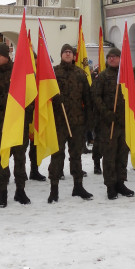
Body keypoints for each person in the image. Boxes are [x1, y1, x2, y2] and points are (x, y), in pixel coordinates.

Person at [0, 42, 33, 207]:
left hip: (20, 123)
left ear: (7, 55)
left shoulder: (20, 73)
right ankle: (3, 193)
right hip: (2, 124)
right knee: (2, 159)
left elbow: (29, 97)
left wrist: (27, 116)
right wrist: (8, 99)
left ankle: (21, 191)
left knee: (20, 159)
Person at [47, 44, 93, 203]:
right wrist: (54, 99)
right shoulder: (54, 72)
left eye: (70, 52)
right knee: (57, 155)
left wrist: (88, 121)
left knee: (76, 155)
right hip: (59, 122)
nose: (67, 54)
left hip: (77, 122)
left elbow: (87, 99)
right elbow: (46, 95)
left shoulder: (80, 73)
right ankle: (54, 189)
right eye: (65, 52)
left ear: (74, 56)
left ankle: (78, 186)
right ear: (61, 55)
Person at [91, 48, 134, 200]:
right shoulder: (102, 77)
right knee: (109, 155)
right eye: (110, 57)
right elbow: (96, 97)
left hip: (124, 122)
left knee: (122, 155)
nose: (112, 59)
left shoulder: (126, 76)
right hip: (108, 124)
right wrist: (107, 113)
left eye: (115, 57)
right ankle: (110, 186)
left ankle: (120, 183)